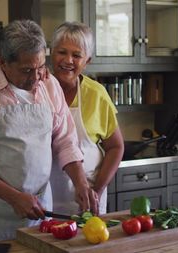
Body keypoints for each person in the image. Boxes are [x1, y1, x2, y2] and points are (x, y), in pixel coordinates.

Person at [0, 20, 98, 243]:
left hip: (41, 211)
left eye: (40, 67)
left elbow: (65, 140)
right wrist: (14, 197)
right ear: (2, 62)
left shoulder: (49, 85)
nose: (37, 77)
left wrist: (81, 183)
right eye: (27, 70)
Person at [50, 21, 124, 215]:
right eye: (62, 52)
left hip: (88, 201)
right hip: (44, 200)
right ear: (51, 52)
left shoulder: (96, 94)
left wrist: (97, 190)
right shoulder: (39, 89)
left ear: (87, 61)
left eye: (76, 55)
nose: (68, 60)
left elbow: (115, 147)